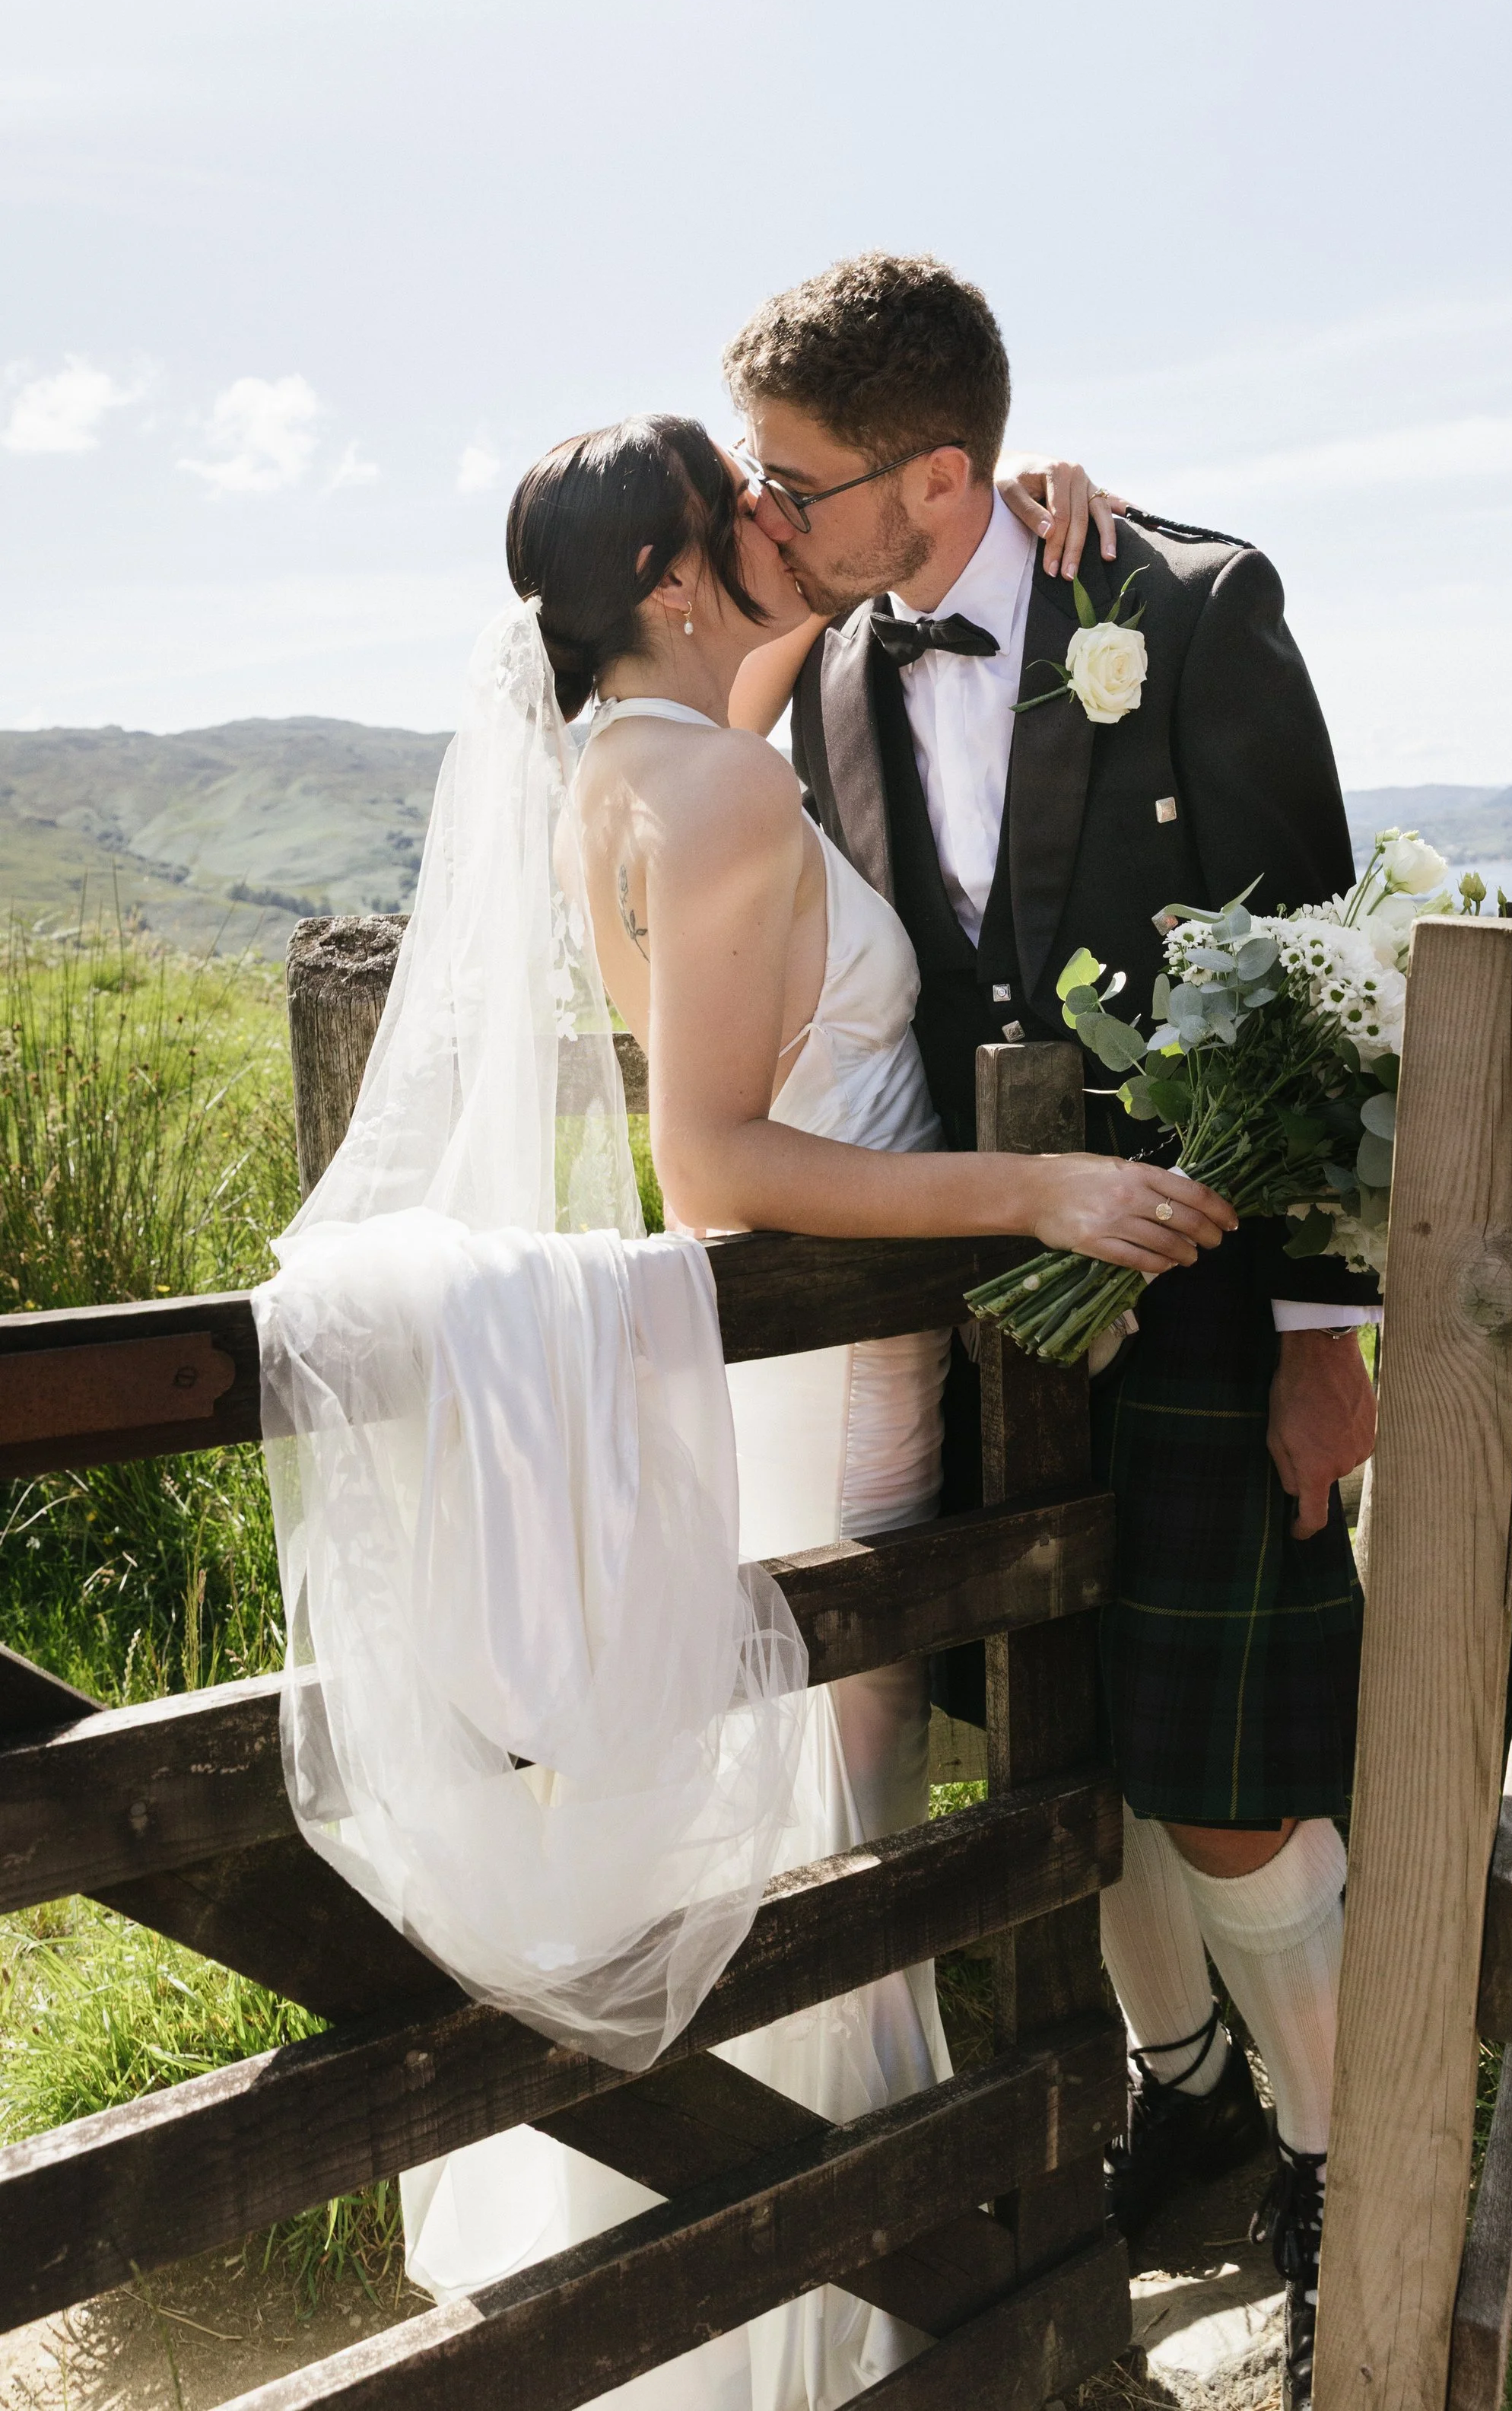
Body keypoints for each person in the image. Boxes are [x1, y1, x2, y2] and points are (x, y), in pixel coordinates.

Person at [259, 411, 1234, 2411]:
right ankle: (805, 2333)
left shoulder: (645, 757)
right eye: (747, 511)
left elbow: (777, 660)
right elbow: (721, 1152)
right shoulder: (704, 791)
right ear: (676, 581)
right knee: (828, 1846)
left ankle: (805, 2291)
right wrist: (1030, 1184)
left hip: (784, 1380)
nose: (787, 525)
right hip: (825, 1383)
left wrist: (975, 520)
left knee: (820, 1837)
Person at [720, 256, 1380, 2411]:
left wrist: (1318, 1331)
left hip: (1195, 1283)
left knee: (1226, 1786)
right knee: (1067, 1755)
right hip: (984, 1310)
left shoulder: (1184, 610)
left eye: (794, 480)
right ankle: (1176, 2083)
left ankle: (1336, 2171)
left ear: (933, 475)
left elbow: (1319, 974)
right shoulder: (817, 673)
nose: (767, 513)